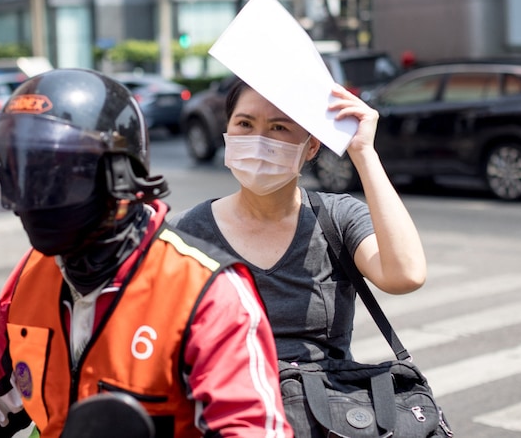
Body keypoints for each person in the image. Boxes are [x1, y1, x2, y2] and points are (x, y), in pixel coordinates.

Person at [0, 69, 292, 438]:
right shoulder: (34, 274)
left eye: (54, 179)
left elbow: (249, 427)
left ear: (120, 180)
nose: (32, 201)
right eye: (18, 176)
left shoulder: (209, 295)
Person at [169, 79, 427, 364]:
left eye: (279, 127)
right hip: (224, 404)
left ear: (312, 147)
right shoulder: (184, 233)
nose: (258, 141)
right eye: (244, 124)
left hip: (324, 404)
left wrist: (364, 152)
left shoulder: (337, 218)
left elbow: (405, 275)